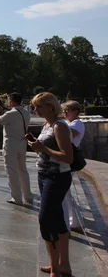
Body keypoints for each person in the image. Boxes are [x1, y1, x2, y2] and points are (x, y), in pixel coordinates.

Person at [28, 92, 73, 277]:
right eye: (34, 106)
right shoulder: (48, 125)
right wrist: (37, 146)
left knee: (45, 220)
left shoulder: (59, 126)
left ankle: (55, 269)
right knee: (58, 219)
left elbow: (68, 157)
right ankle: (64, 265)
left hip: (56, 178)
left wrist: (42, 148)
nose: (34, 109)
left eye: (38, 106)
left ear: (51, 106)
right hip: (44, 175)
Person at [0, 92, 33, 205]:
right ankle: (28, 196)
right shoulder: (26, 112)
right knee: (23, 170)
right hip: (22, 143)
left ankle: (17, 197)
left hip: (10, 144)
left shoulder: (11, 114)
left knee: (11, 170)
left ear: (11, 101)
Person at [62, 100, 85, 234]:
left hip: (70, 160)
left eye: (67, 110)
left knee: (65, 192)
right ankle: (74, 220)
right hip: (66, 160)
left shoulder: (77, 124)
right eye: (64, 110)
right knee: (65, 192)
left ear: (75, 112)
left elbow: (68, 134)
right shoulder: (67, 123)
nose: (64, 113)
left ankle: (75, 221)